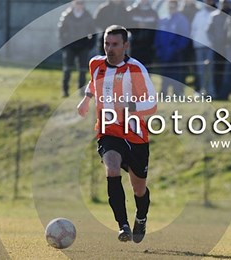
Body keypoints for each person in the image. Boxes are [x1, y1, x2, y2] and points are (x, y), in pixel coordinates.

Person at [77, 25, 157, 243]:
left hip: (135, 136)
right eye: (106, 43)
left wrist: (128, 107)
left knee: (138, 188)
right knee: (112, 169)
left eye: (114, 44)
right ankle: (123, 225)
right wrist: (86, 100)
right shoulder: (95, 63)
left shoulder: (135, 69)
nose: (109, 49)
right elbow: (94, 82)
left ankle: (140, 218)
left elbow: (152, 104)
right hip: (108, 131)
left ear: (125, 45)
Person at [58, 0, 95, 97]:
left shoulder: (88, 16)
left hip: (83, 46)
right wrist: (64, 44)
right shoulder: (67, 15)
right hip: (70, 46)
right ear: (73, 3)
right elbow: (61, 31)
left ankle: (81, 91)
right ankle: (65, 91)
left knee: (83, 70)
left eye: (81, 3)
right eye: (77, 3)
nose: (79, 5)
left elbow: (93, 31)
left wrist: (90, 44)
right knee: (67, 69)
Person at [154, 0, 190, 96]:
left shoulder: (182, 20)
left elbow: (184, 37)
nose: (171, 8)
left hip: (176, 54)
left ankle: (177, 93)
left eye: (173, 6)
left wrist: (176, 49)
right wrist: (159, 50)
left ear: (177, 7)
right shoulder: (163, 20)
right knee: (164, 75)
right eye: (170, 6)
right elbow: (158, 36)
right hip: (163, 54)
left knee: (176, 75)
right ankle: (164, 93)